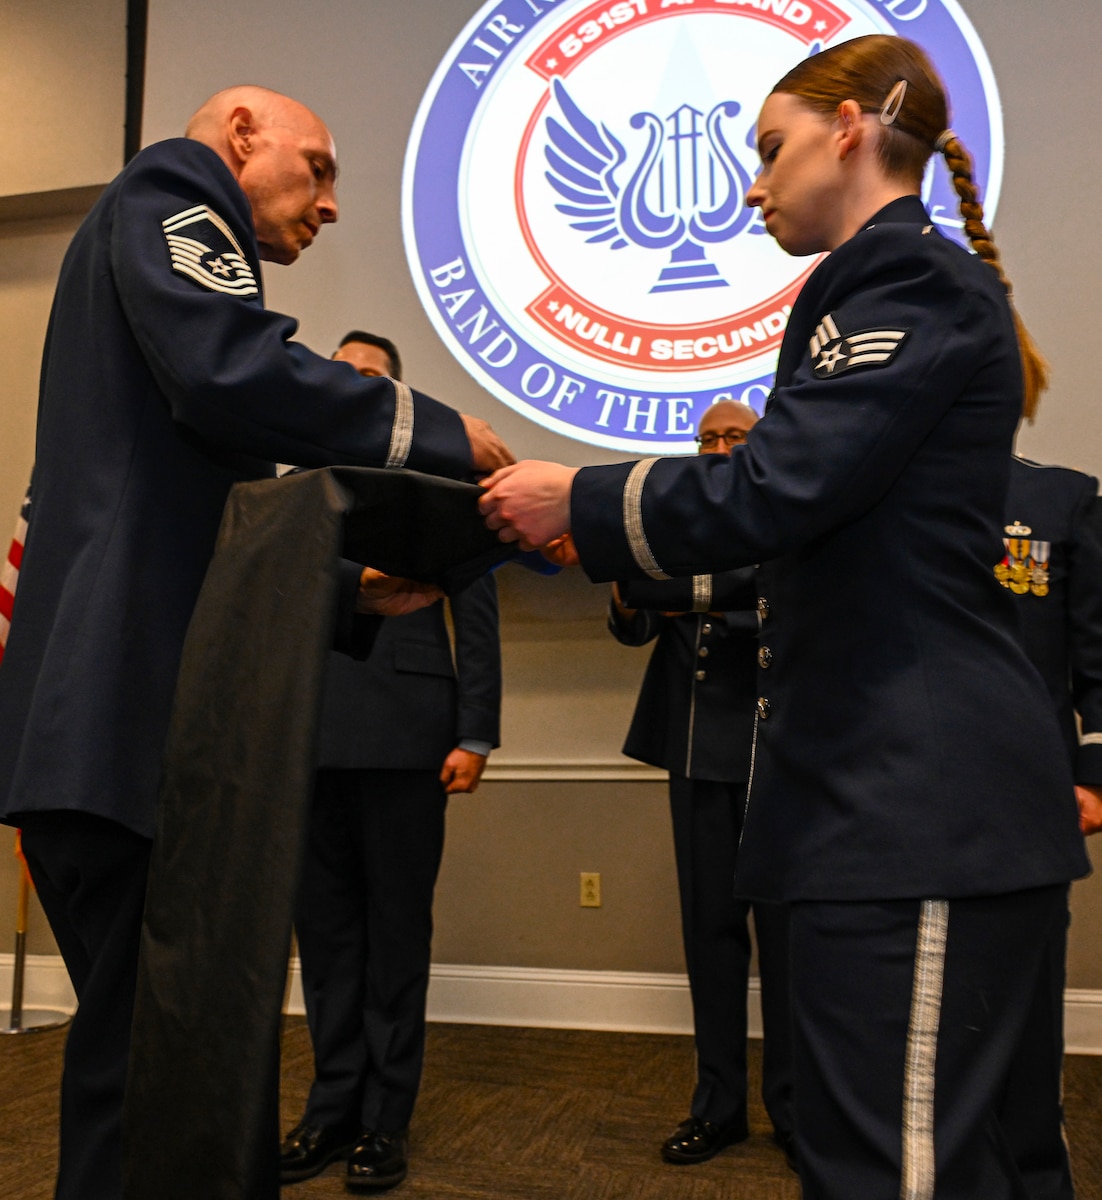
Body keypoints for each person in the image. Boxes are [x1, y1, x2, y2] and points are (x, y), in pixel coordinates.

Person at [479, 34, 1090, 1199]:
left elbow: (779, 485)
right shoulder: (898, 284)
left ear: (850, 126)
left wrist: (581, 494)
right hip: (912, 799)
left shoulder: (898, 276)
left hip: (911, 800)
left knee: (896, 1169)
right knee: (984, 1161)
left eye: (768, 147)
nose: (752, 185)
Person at [0, 86, 512, 1200]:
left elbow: (194, 526)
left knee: (169, 1069)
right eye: (317, 168)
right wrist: (434, 432)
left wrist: (351, 595)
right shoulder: (173, 188)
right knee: (157, 1077)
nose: (329, 203)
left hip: (123, 727)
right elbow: (228, 370)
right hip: (128, 726)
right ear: (239, 135)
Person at [279, 333, 502, 1192]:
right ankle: (330, 1109)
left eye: (369, 378)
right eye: (342, 375)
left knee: (396, 939)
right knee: (327, 943)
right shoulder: (292, 481)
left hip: (411, 734)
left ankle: (383, 1124)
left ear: (395, 394)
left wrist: (475, 733)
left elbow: (475, 609)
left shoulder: (432, 480)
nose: (352, 385)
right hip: (306, 735)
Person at [608, 399, 793, 1169]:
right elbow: (634, 625)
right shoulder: (676, 519)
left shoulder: (788, 506)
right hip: (693, 743)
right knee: (709, 939)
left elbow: (770, 599)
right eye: (708, 438)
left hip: (779, 748)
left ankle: (795, 1110)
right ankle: (717, 1106)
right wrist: (623, 579)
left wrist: (683, 589)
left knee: (787, 943)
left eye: (734, 437)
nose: (719, 448)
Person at [993, 444, 1102, 1200]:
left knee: (1025, 1015)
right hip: (897, 801)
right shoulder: (875, 493)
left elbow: (1098, 655)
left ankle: (1033, 1178)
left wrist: (1094, 772)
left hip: (1025, 797)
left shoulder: (1062, 499)